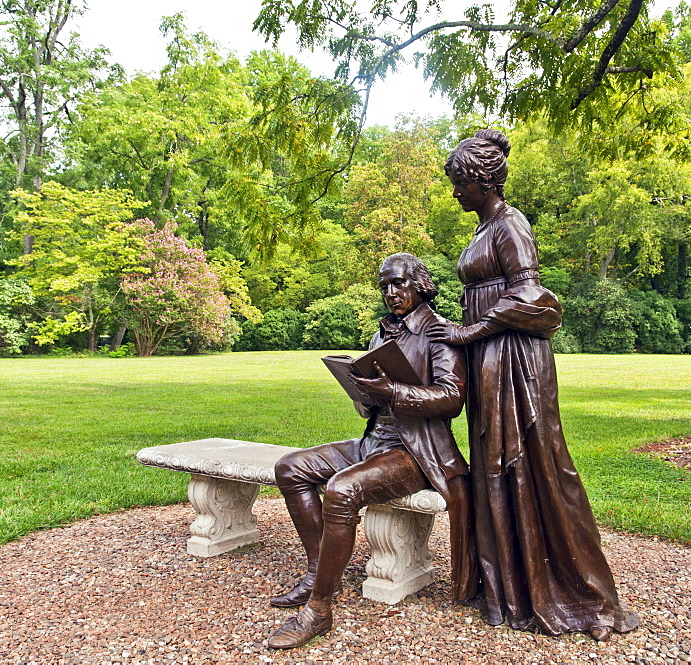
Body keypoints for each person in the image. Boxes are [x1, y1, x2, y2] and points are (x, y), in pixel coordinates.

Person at [428, 129, 639, 642]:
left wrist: (469, 330)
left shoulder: (511, 226)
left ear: (482, 181)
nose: (455, 192)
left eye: (460, 183)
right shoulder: (483, 230)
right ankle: (509, 587)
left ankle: (566, 588)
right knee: (496, 463)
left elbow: (533, 297)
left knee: (531, 462)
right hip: (488, 358)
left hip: (514, 360)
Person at [267, 253, 478, 650]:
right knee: (290, 467)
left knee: (342, 490)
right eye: (384, 286)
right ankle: (317, 572)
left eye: (398, 284)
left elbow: (452, 399)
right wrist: (362, 395)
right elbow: (372, 401)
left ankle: (318, 609)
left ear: (420, 284)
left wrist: (394, 392)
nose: (391, 293)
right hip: (373, 442)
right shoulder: (381, 334)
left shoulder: (440, 333)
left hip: (417, 452)